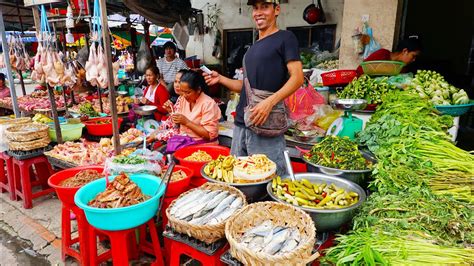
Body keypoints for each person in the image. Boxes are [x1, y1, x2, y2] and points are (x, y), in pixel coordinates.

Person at [204, 0, 304, 175]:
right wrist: (220, 79)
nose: (258, 12)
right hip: (242, 124)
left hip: (265, 124)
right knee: (238, 178)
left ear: (277, 10)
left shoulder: (285, 38)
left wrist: (269, 102)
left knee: (269, 178)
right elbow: (246, 88)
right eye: (255, 8)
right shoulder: (252, 48)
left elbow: (297, 78)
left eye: (265, 7)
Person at [165, 70, 221, 142]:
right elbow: (178, 125)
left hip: (202, 146)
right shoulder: (183, 99)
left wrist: (187, 122)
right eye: (182, 91)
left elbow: (210, 135)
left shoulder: (208, 104)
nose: (184, 95)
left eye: (188, 92)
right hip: (185, 141)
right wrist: (171, 111)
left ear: (198, 89)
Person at [356, 36, 422, 75]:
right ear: (405, 51)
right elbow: (360, 70)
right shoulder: (383, 54)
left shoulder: (403, 69)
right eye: (413, 56)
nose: (414, 60)